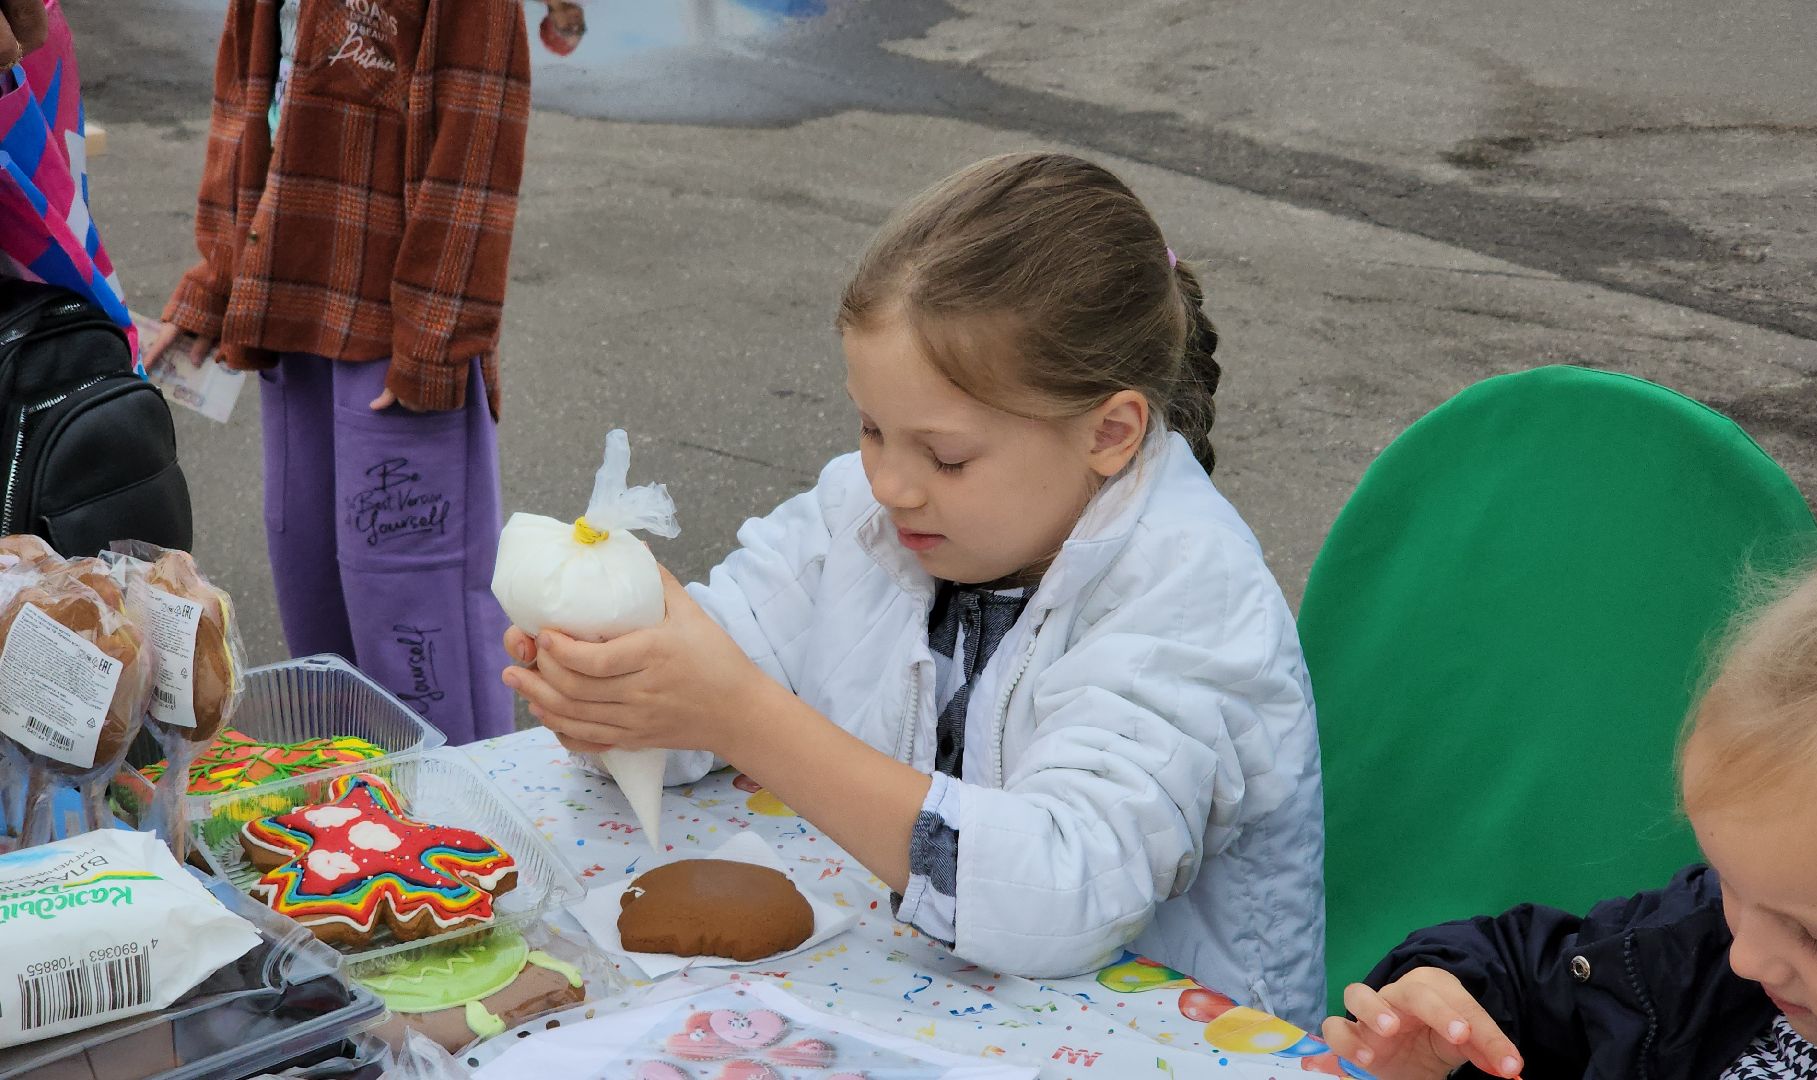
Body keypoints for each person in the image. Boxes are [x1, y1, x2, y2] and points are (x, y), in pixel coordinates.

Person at [502, 151, 1327, 1022]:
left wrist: (738, 712)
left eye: (946, 455)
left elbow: (1063, 893)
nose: (890, 483)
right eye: (870, 428)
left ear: (1110, 433)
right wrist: (621, 690)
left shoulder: (1193, 596)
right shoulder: (860, 514)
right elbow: (717, 673)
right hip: (922, 1007)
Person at [1315, 537, 1817, 1079]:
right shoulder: (1695, 946)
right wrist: (1445, 1003)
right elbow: (1527, 970)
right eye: (1731, 883)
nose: (1746, 957)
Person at [147, 0, 530, 744]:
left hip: (397, 327)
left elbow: (476, 134)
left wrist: (438, 338)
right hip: (289, 309)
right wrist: (218, 281)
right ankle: (356, 825)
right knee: (314, 597)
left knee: (417, 617)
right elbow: (245, 109)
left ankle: (462, 831)